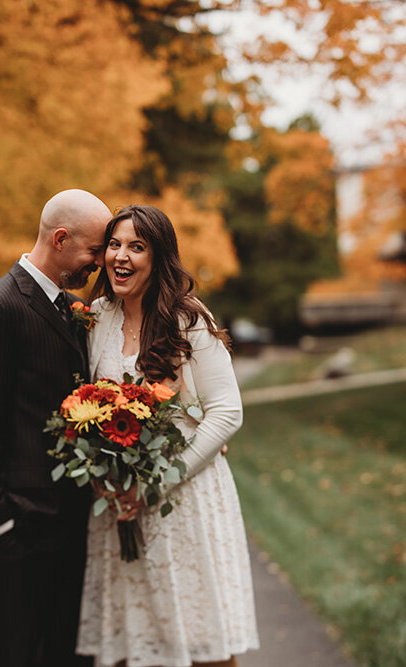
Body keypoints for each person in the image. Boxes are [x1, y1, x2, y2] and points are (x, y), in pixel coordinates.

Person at [76, 205, 260, 667]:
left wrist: (155, 483)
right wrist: (102, 473)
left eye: (137, 247)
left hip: (185, 501)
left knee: (200, 644)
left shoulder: (187, 319)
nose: (122, 256)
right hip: (119, 507)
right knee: (132, 645)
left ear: (159, 259)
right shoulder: (97, 317)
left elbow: (226, 413)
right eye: (114, 244)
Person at [0, 189, 111, 667]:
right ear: (61, 239)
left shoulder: (71, 308)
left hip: (69, 524)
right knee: (14, 654)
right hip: (20, 529)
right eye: (94, 252)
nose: (99, 265)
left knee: (65, 653)